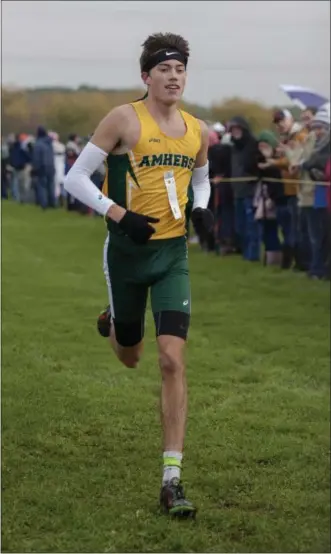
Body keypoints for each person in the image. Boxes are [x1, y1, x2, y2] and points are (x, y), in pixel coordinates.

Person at [64, 32, 213, 519]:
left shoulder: (196, 129)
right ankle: (115, 316)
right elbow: (75, 178)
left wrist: (204, 210)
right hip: (127, 255)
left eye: (181, 70)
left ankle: (172, 478)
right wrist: (116, 213)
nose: (174, 77)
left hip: (172, 257)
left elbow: (203, 176)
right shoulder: (124, 119)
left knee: (171, 359)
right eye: (164, 69)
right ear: (146, 76)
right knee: (131, 356)